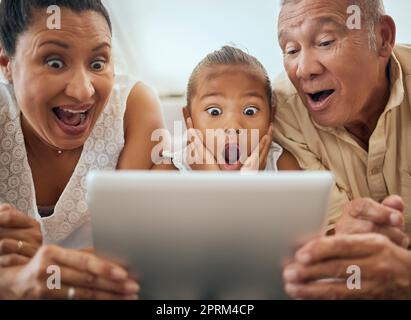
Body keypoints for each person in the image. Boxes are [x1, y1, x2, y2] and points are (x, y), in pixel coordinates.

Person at [0, 0, 168, 299]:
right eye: (54, 62)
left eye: (97, 63)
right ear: (6, 65)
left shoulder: (133, 107)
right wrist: (14, 281)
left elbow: (131, 252)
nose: (83, 91)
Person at [273, 0, 411, 299]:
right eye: (291, 50)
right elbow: (332, 247)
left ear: (383, 38)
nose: (304, 70)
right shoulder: (283, 110)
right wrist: (339, 238)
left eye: (324, 42)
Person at [166, 46, 300, 172]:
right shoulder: (170, 170)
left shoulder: (282, 166)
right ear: (188, 118)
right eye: (214, 112)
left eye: (250, 111)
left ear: (270, 117)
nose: (233, 126)